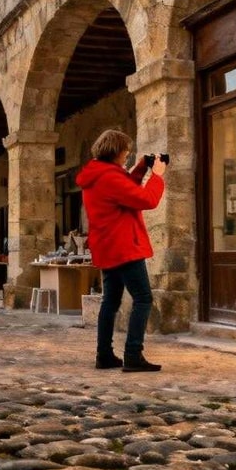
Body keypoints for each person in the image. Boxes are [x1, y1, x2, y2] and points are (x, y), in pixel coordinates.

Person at [76, 129, 167, 372]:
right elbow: (146, 200)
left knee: (111, 301)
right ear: (115, 152)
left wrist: (140, 169)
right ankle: (133, 354)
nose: (126, 157)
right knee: (143, 299)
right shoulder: (110, 178)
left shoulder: (98, 175)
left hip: (108, 246)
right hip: (124, 245)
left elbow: (124, 191)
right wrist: (157, 176)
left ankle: (104, 354)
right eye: (125, 154)